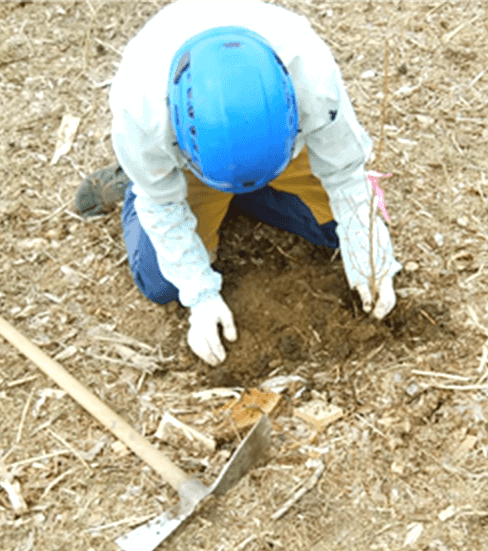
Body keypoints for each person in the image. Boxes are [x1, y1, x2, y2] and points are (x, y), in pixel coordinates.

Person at [75, 0, 401, 366]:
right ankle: (137, 180)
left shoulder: (308, 69)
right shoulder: (140, 108)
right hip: (189, 168)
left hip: (284, 155)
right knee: (162, 283)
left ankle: (242, 191)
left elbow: (344, 174)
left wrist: (369, 255)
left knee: (339, 234)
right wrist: (200, 296)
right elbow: (162, 206)